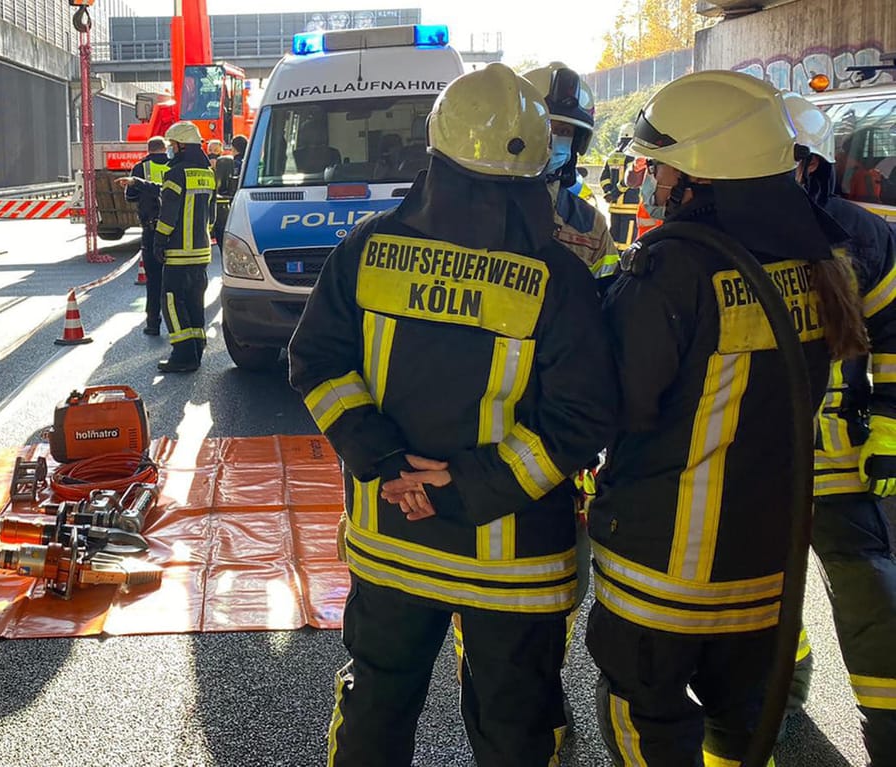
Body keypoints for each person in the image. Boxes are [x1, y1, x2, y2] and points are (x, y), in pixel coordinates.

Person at [288, 62, 617, 767]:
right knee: (515, 729)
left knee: (377, 703)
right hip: (513, 563)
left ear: (434, 154)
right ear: (537, 168)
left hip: (391, 543)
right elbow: (582, 420)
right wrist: (469, 487)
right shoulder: (560, 279)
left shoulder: (367, 250)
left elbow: (315, 362)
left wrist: (385, 462)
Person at [590, 70, 868, 766]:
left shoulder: (676, 267)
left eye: (660, 168)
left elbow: (621, 399)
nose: (651, 182)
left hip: (665, 571)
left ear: (699, 176)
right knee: (742, 727)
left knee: (641, 716)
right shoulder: (816, 264)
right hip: (762, 570)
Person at [781, 92, 896, 765]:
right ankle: (782, 689)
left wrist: (885, 433)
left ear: (810, 163)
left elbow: (893, 334)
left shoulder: (863, 235)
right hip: (757, 460)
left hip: (843, 462)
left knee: (873, 603)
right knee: (764, 587)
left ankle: (887, 733)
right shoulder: (721, 233)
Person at [117, 121, 215, 373]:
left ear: (181, 145)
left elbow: (169, 212)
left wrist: (159, 241)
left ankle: (182, 355)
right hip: (201, 251)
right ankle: (196, 348)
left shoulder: (176, 173)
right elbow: (211, 215)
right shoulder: (207, 173)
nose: (171, 149)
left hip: (179, 251)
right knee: (194, 301)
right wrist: (139, 182)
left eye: (172, 145)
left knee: (170, 300)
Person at [523, 63, 620, 283]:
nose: (553, 139)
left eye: (564, 132)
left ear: (577, 142)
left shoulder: (591, 226)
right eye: (545, 127)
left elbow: (608, 297)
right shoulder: (483, 210)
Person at [125, 136, 171, 336]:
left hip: (150, 229)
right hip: (173, 230)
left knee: (153, 280)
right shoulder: (174, 165)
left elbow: (130, 196)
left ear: (149, 149)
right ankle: (176, 325)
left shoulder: (140, 168)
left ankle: (153, 323)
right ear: (165, 149)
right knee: (174, 279)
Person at [601, 123, 641, 248]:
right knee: (627, 242)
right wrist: (614, 193)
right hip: (630, 206)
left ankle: (613, 264)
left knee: (614, 239)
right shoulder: (634, 156)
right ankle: (623, 266)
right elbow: (630, 179)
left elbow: (604, 178)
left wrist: (609, 192)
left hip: (614, 207)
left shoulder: (612, 156)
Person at [212, 134, 247, 244]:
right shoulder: (251, 163)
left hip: (228, 205)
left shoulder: (228, 163)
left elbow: (220, 186)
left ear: (233, 148)